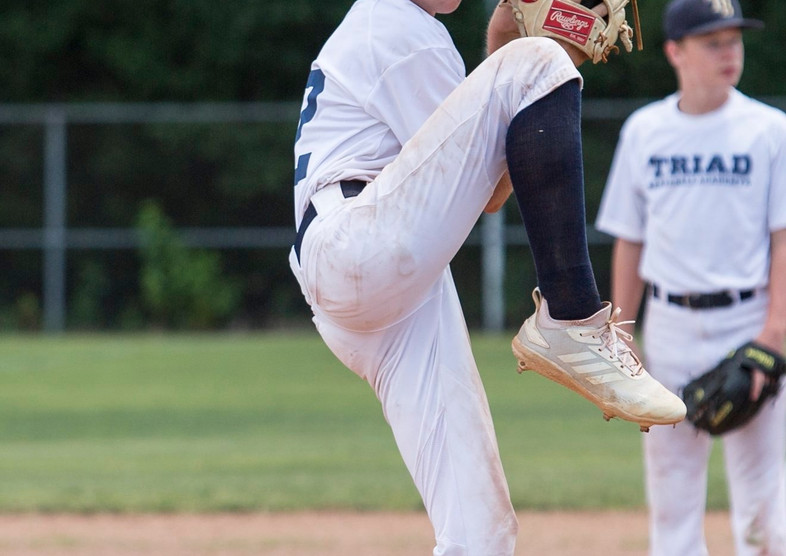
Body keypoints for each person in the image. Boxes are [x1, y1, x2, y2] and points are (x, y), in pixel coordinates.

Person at [289, 0, 685, 553]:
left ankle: (569, 325)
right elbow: (494, 179)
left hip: (380, 278)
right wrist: (556, 53)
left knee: (482, 535)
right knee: (541, 64)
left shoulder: (395, 26)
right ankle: (572, 316)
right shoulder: (397, 22)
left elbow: (487, 186)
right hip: (357, 242)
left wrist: (502, 34)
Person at [595, 0, 786, 554]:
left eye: (734, 40)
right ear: (675, 51)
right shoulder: (645, 131)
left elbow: (782, 238)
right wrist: (621, 336)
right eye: (713, 41)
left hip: (748, 321)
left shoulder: (770, 131)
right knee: (673, 505)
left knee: (765, 512)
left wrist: (773, 336)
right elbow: (630, 240)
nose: (729, 52)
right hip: (671, 328)